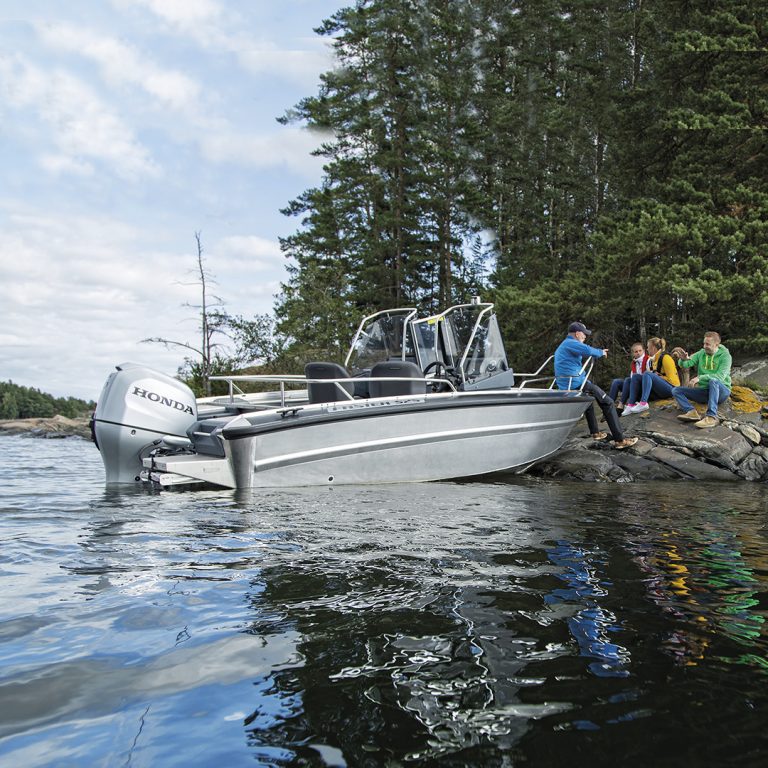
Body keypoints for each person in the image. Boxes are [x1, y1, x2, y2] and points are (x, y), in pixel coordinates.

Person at [554, 322, 638, 449]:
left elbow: (583, 351)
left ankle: (596, 433)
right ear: (577, 334)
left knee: (589, 400)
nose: (585, 337)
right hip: (575, 382)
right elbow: (587, 350)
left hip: (569, 383)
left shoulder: (565, 344)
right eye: (584, 334)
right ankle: (620, 440)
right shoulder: (571, 343)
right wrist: (601, 352)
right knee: (608, 403)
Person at [672, 331, 732, 428]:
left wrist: (700, 378)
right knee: (676, 390)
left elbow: (720, 377)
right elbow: (687, 364)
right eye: (704, 343)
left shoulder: (725, 356)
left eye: (707, 344)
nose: (704, 346)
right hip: (705, 392)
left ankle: (712, 417)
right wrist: (683, 360)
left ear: (716, 344)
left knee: (714, 381)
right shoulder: (701, 353)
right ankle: (691, 412)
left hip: (721, 391)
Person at [623, 337, 681, 414]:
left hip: (671, 389)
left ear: (653, 348)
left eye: (647, 347)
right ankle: (631, 405)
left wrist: (659, 376)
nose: (647, 349)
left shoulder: (666, 358)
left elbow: (675, 382)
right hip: (659, 391)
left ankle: (643, 403)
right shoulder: (652, 360)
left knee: (647, 373)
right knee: (636, 376)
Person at [609, 342, 650, 410]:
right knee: (616, 382)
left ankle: (621, 405)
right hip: (634, 386)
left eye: (640, 350)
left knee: (628, 379)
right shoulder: (634, 363)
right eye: (636, 351)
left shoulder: (648, 359)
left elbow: (649, 377)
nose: (638, 353)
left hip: (643, 388)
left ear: (644, 351)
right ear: (633, 353)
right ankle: (609, 406)